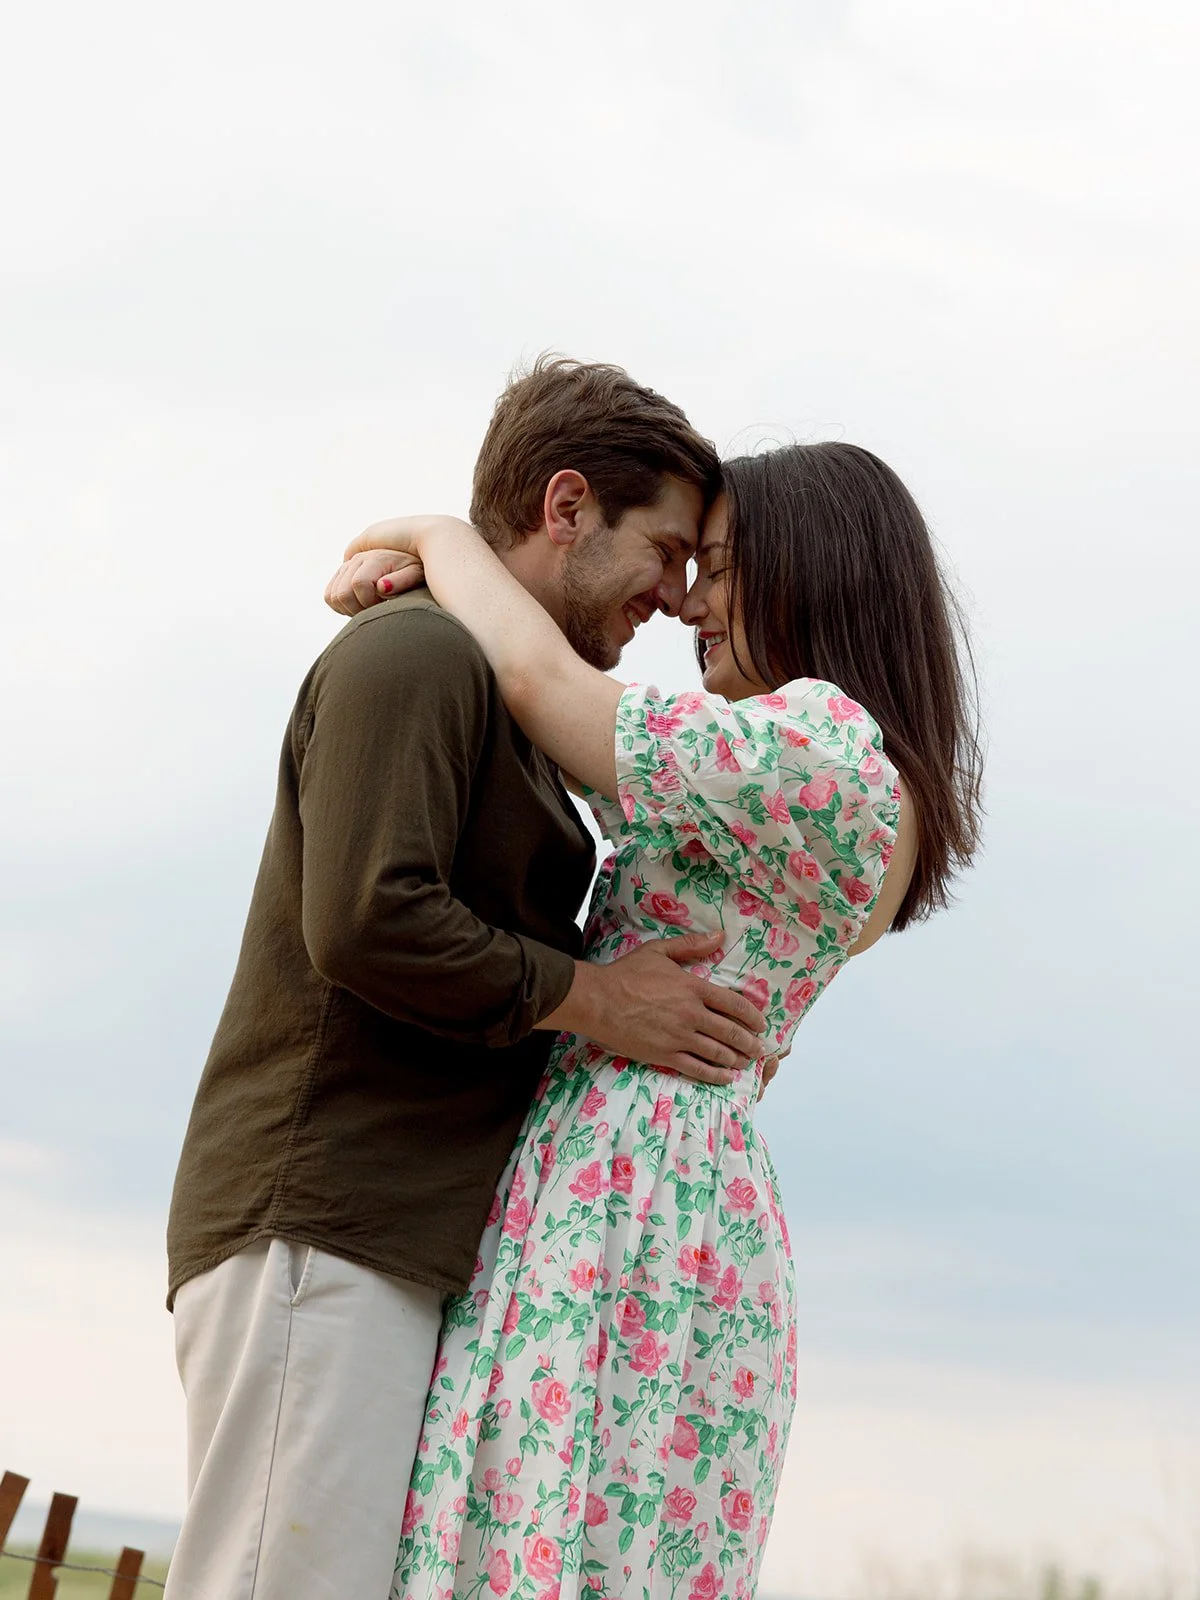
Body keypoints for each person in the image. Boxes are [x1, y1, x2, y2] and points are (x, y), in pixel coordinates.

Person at [325, 440, 982, 1600]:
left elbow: (543, 689)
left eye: (720, 567)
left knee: (544, 1540)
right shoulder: (804, 771)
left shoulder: (823, 746)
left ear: (813, 569)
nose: (689, 602)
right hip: (647, 1184)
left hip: (636, 1194)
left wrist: (435, 537)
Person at [162, 358, 772, 1600]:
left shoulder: (493, 691)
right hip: (321, 1220)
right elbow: (368, 917)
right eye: (663, 548)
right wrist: (606, 1002)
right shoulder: (417, 655)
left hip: (384, 1238)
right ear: (564, 507)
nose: (674, 593)